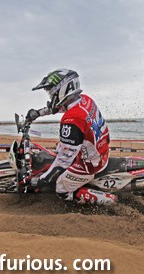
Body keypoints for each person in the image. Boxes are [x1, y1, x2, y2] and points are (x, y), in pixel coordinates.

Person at [26, 68, 116, 205]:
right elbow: (59, 108)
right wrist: (38, 113)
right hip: (99, 148)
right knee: (61, 145)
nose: (51, 97)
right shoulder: (84, 99)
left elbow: (63, 161)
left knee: (60, 187)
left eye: (51, 92)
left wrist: (43, 179)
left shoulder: (72, 119)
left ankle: (107, 201)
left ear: (63, 89)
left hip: (90, 163)